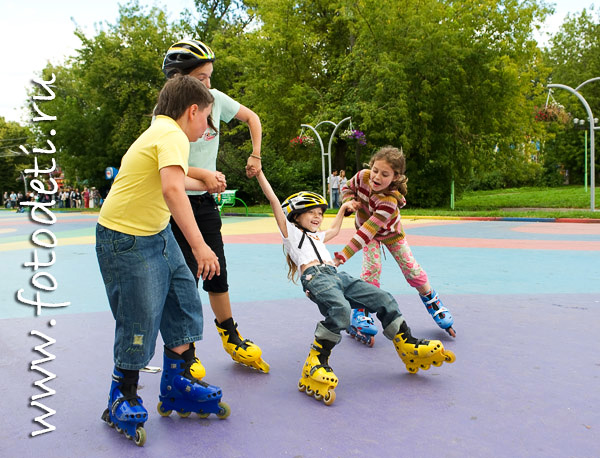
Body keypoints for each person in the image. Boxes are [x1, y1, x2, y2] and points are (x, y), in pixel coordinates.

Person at [96, 76, 230, 446]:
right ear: (192, 111)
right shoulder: (170, 134)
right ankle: (121, 394)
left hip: (155, 233)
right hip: (126, 238)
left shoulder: (162, 129)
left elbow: (173, 177)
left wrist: (203, 177)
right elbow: (171, 187)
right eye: (207, 118)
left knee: (184, 301)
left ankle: (177, 382)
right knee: (140, 315)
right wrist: (201, 246)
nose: (207, 129)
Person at [251, 166, 455, 406]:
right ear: (295, 216)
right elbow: (274, 200)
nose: (317, 217)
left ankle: (407, 343)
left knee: (384, 299)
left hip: (337, 275)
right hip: (316, 278)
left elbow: (335, 230)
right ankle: (316, 361)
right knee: (341, 311)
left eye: (319, 213)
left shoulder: (317, 236)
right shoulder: (291, 234)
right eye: (311, 213)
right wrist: (260, 174)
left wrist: (343, 210)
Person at [161, 39, 269, 373]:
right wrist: (205, 174)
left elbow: (253, 118)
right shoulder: (165, 119)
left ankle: (230, 334)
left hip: (204, 202)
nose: (208, 85)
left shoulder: (215, 101)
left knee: (216, 267)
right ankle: (186, 350)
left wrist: (255, 154)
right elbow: (168, 170)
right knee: (184, 279)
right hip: (175, 204)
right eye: (201, 78)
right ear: (180, 81)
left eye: (210, 77)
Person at [336, 146, 456, 341]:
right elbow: (347, 187)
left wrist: (343, 255)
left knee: (411, 268)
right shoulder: (362, 177)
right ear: (371, 166)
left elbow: (368, 231)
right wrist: (349, 201)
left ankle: (433, 303)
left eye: (384, 174)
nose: (376, 177)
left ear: (395, 177)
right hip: (368, 232)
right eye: (375, 170)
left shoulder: (389, 201)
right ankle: (361, 311)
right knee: (371, 268)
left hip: (389, 233)